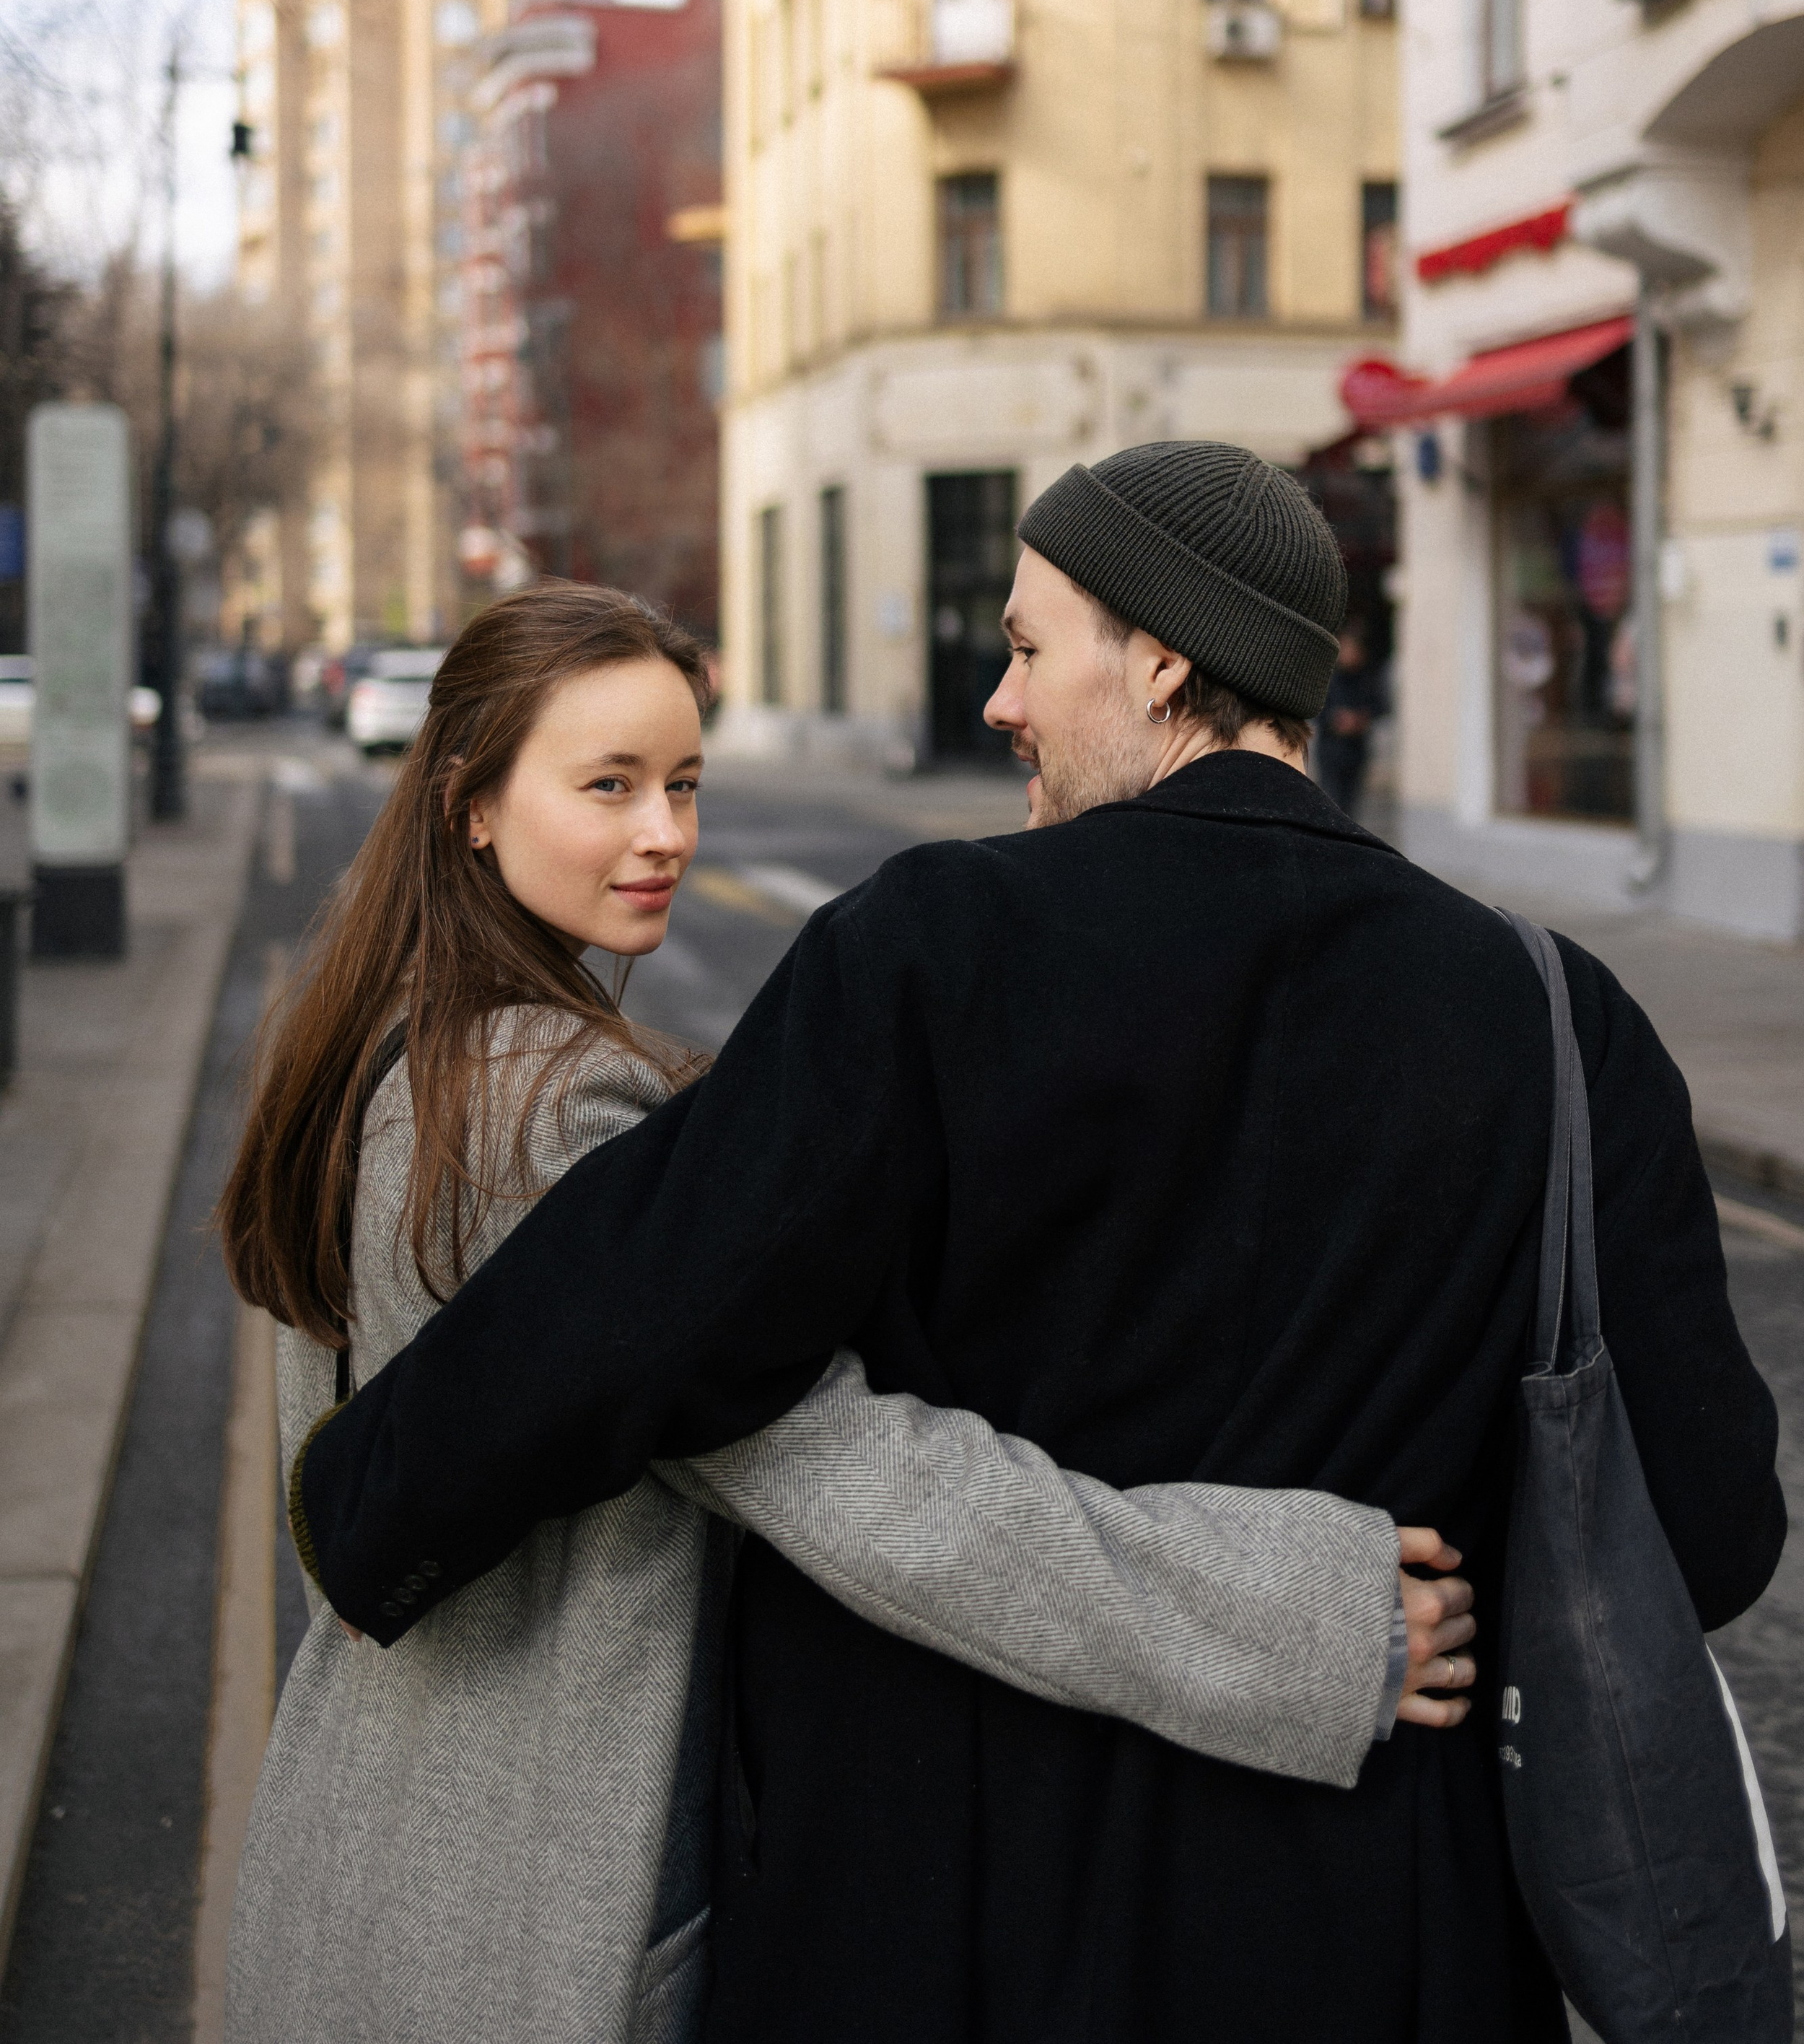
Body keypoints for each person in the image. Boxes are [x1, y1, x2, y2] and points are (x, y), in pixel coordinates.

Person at [293, 446, 1785, 2043]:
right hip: (1376, 1927)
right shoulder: (1558, 1021)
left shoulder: (932, 949)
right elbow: (1706, 1526)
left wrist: (369, 1496)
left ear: (1157, 658)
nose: (996, 701)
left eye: (1022, 646)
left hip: (943, 1917)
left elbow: (643, 1312)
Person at [219, 581, 1476, 2044]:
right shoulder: (542, 1112)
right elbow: (850, 1480)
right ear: (472, 808)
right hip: (512, 1903)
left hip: (367, 1832)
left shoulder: (390, 1045)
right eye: (607, 786)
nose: (665, 836)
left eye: (684, 783)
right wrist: (1293, 1621)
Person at [1315, 618, 1384, 817]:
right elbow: (1318, 712)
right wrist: (1336, 720)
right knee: (1331, 802)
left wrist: (1360, 720)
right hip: (1331, 752)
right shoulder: (1328, 679)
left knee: (1351, 807)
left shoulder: (1366, 680)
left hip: (1355, 752)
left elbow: (1378, 707)